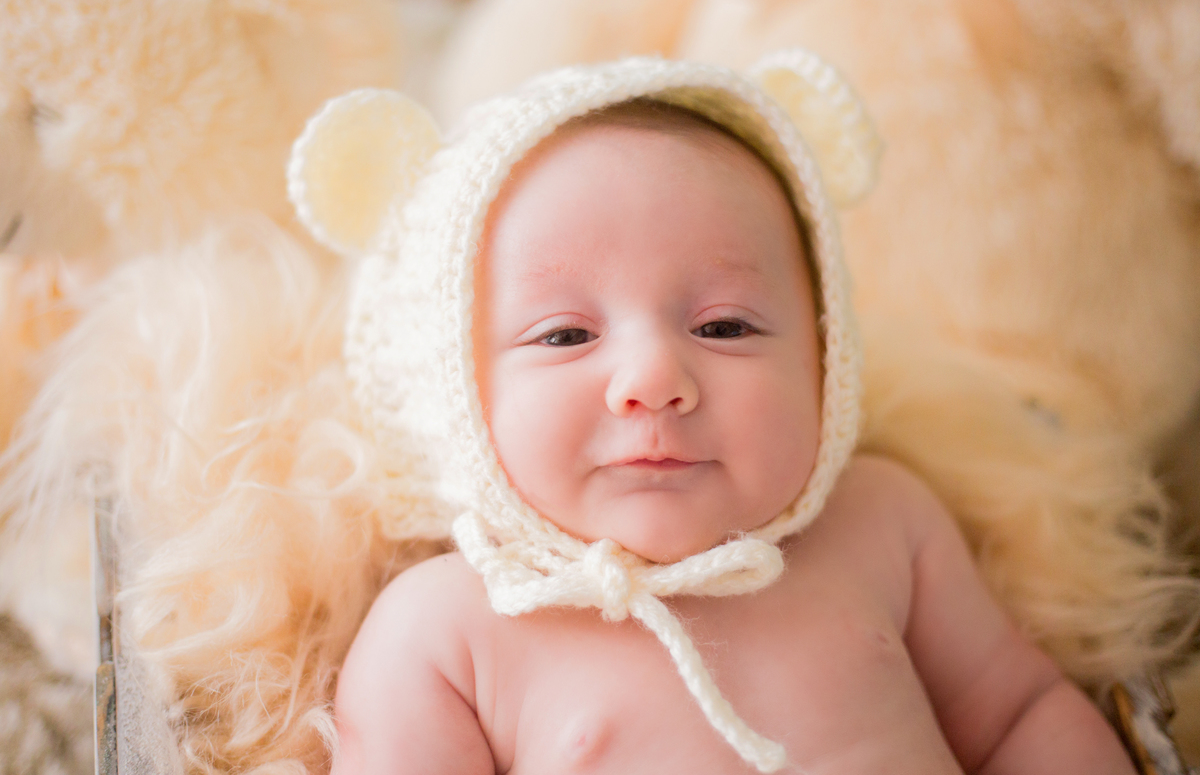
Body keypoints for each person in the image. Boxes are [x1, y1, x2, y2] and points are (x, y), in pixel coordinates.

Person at [324, 56, 1136, 774]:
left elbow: (1017, 716)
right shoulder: (446, 629)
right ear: (448, 393)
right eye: (566, 334)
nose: (655, 380)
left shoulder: (884, 524)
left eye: (725, 327)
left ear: (825, 357)